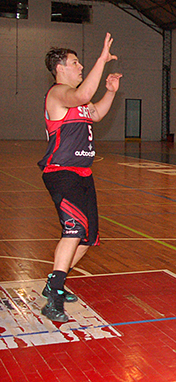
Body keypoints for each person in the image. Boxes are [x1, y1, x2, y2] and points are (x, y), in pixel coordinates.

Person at [38, 34, 122, 322]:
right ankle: (54, 297)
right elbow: (85, 96)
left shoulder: (76, 101)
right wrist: (102, 59)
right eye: (75, 63)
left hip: (83, 174)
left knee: (87, 237)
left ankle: (54, 282)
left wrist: (110, 91)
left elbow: (95, 111)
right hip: (62, 172)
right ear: (60, 68)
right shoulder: (59, 93)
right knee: (73, 230)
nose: (81, 66)